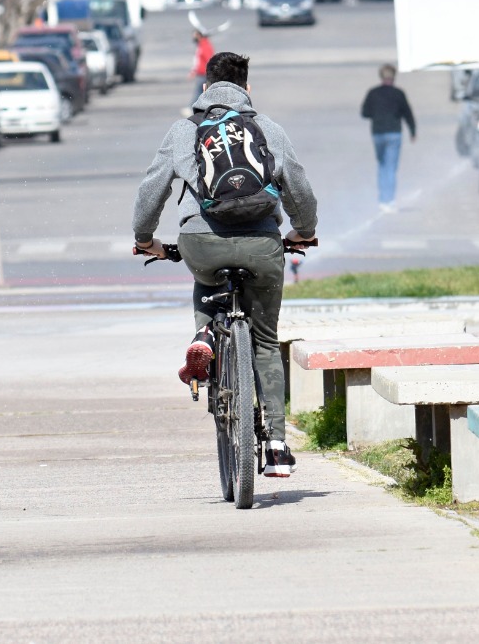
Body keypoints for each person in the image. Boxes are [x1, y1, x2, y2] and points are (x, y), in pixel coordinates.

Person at [132, 52, 317, 478]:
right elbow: (300, 190)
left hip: (202, 241)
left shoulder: (186, 130)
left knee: (206, 275)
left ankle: (205, 333)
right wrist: (302, 230)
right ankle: (275, 446)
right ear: (247, 90)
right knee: (267, 343)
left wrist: (145, 240)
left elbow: (151, 190)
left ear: (204, 89)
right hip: (262, 245)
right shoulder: (267, 128)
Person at [361, 63, 416, 214]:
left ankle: (382, 200)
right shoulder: (399, 93)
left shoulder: (373, 93)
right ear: (394, 77)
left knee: (382, 166)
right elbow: (407, 113)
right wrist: (413, 131)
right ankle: (389, 200)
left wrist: (377, 115)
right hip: (394, 133)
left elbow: (364, 113)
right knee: (391, 168)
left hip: (378, 133)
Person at [190, 29, 214, 99]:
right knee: (202, 91)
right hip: (201, 72)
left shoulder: (205, 46)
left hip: (204, 73)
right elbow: (197, 61)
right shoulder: (201, 45)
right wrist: (193, 71)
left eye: (195, 35)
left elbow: (209, 60)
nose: (193, 37)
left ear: (199, 36)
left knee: (199, 91)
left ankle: (192, 107)